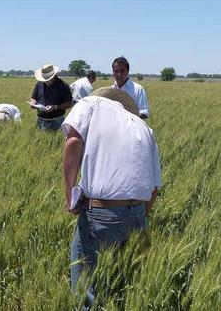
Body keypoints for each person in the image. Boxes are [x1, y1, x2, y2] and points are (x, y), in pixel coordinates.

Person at [62, 87, 161, 307]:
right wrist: (136, 216)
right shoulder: (144, 126)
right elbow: (154, 188)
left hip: (100, 213)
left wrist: (70, 195)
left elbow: (73, 141)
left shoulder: (90, 104)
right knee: (125, 282)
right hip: (138, 213)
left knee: (87, 286)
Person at [29, 63, 72, 130]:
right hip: (41, 120)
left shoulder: (63, 85)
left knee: (57, 140)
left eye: (47, 78)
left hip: (57, 121)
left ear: (54, 75)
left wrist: (55, 107)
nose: (45, 80)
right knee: (41, 140)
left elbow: (69, 104)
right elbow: (34, 98)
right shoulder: (39, 84)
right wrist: (33, 103)